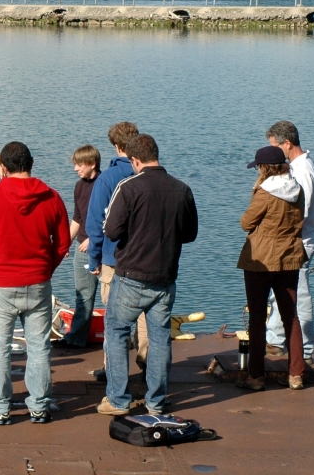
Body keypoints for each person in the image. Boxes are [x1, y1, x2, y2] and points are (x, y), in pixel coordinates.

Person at [0, 142, 70, 425]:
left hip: (1, 282)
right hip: (38, 281)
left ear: (2, 167)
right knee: (39, 347)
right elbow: (62, 243)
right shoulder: (52, 197)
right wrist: (46, 267)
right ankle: (39, 405)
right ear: (31, 163)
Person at [97, 134, 198, 416]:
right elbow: (189, 234)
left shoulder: (128, 187)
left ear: (135, 160)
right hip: (165, 277)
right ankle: (156, 401)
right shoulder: (182, 188)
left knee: (116, 333)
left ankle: (118, 400)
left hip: (131, 276)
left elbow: (111, 231)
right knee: (159, 337)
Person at [237, 146, 307, 391]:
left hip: (262, 260)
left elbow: (246, 222)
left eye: (258, 166)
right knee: (291, 316)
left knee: (257, 317)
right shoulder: (297, 190)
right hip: (290, 257)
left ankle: (256, 376)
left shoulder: (265, 192)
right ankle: (296, 374)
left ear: (265, 167)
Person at [85, 122, 141, 379]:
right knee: (146, 319)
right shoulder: (149, 175)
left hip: (113, 258)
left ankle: (112, 371)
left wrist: (94, 258)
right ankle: (148, 367)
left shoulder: (107, 178)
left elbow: (96, 223)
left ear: (116, 146)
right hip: (147, 258)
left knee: (115, 321)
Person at [264, 121, 314, 365]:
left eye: (276, 147)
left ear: (287, 144)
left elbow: (302, 210)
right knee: (282, 292)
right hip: (292, 240)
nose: (275, 153)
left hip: (298, 241)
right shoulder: (299, 167)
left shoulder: (303, 170)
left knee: (301, 293)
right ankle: (276, 340)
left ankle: (305, 348)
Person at [53, 144, 101, 349]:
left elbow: (112, 218)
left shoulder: (104, 184)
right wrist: (64, 244)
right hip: (82, 248)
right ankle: (76, 338)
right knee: (83, 294)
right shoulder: (79, 186)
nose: (75, 169)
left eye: (79, 165)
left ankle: (119, 338)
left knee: (112, 296)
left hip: (103, 248)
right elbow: (77, 219)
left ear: (92, 164)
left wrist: (94, 238)